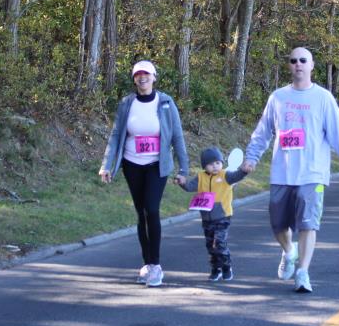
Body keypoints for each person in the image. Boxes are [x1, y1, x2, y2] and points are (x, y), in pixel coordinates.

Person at [242, 47, 339, 293]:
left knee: (308, 224)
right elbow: (263, 132)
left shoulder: (323, 98)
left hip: (312, 173)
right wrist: (252, 157)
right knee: (278, 225)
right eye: (293, 60)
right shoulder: (278, 97)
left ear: (312, 65)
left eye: (303, 60)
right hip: (282, 173)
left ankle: (303, 272)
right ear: (289, 65)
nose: (298, 64)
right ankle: (289, 251)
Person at [99, 60, 188, 287]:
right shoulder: (126, 103)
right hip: (132, 164)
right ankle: (146, 264)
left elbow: (177, 136)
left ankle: (156, 265)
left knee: (152, 209)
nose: (142, 77)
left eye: (146, 74)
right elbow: (116, 135)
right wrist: (106, 165)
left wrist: (183, 169)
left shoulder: (166, 102)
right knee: (141, 214)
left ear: (154, 77)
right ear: (134, 79)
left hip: (156, 165)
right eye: (138, 74)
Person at [178, 147, 248, 281]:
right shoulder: (200, 177)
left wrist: (244, 171)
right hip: (207, 218)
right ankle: (216, 268)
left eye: (217, 163)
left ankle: (226, 267)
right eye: (210, 164)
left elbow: (237, 176)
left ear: (222, 163)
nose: (215, 166)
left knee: (219, 243)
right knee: (210, 246)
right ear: (204, 166)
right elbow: (189, 187)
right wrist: (182, 182)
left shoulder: (225, 175)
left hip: (223, 216)